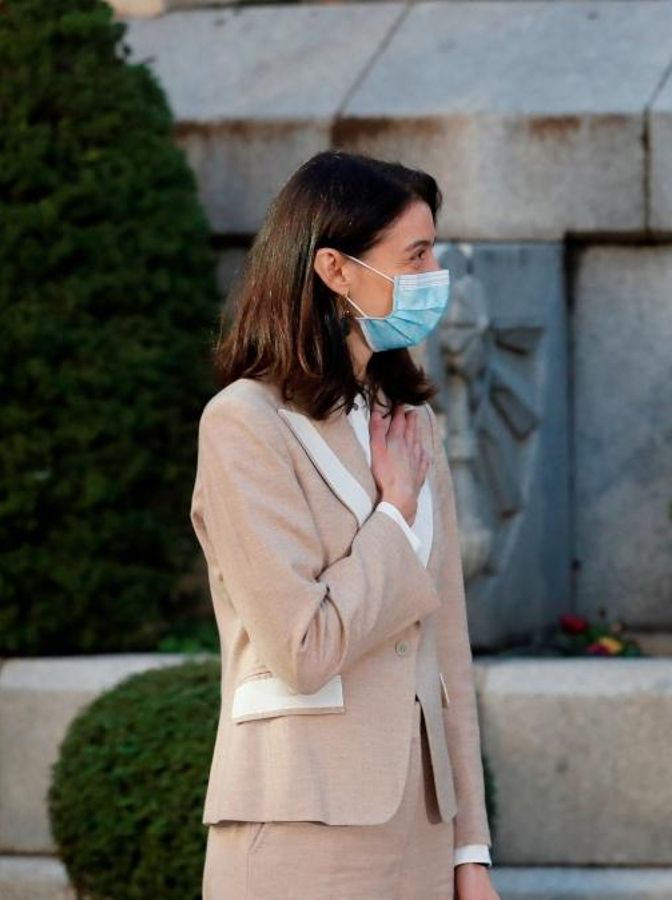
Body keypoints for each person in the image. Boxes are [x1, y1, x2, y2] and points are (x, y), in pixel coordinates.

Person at [191, 150, 498, 900]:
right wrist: (393, 514)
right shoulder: (243, 424)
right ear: (335, 269)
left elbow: (447, 655)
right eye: (415, 254)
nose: (435, 275)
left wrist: (471, 852)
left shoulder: (411, 423)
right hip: (302, 828)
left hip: (423, 834)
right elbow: (303, 647)